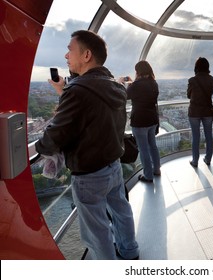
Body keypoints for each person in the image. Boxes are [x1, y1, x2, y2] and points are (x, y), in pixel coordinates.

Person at [35, 30, 139, 260]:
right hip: (113, 165)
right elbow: (91, 113)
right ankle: (130, 250)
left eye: (70, 49)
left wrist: (39, 148)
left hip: (89, 173)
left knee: (97, 231)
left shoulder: (78, 90)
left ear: (86, 55)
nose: (65, 55)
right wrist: (65, 91)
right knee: (121, 211)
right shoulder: (115, 86)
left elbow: (57, 133)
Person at [126, 60, 160, 183]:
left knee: (143, 149)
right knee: (153, 146)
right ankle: (157, 170)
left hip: (140, 120)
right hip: (152, 119)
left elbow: (125, 96)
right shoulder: (154, 83)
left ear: (138, 71)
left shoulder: (136, 85)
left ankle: (148, 176)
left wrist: (129, 84)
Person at [187, 57, 213, 167]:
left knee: (196, 137)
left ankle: (195, 161)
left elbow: (188, 95)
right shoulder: (212, 80)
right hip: (207, 111)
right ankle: (208, 159)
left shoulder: (192, 80)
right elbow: (209, 94)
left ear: (196, 67)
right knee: (209, 136)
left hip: (194, 112)